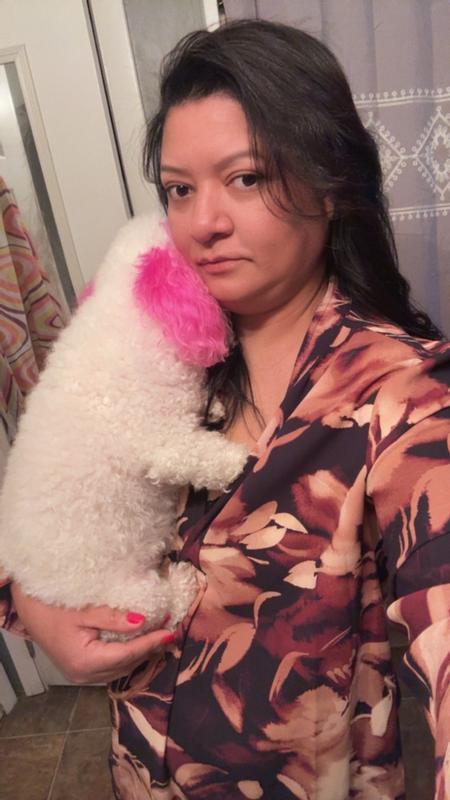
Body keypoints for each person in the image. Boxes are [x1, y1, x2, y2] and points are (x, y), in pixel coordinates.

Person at [1, 18, 449, 800]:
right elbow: (57, 473)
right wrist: (31, 602)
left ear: (329, 183)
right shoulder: (153, 341)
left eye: (245, 178)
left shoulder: (401, 393)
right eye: (180, 189)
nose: (203, 223)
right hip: (138, 769)